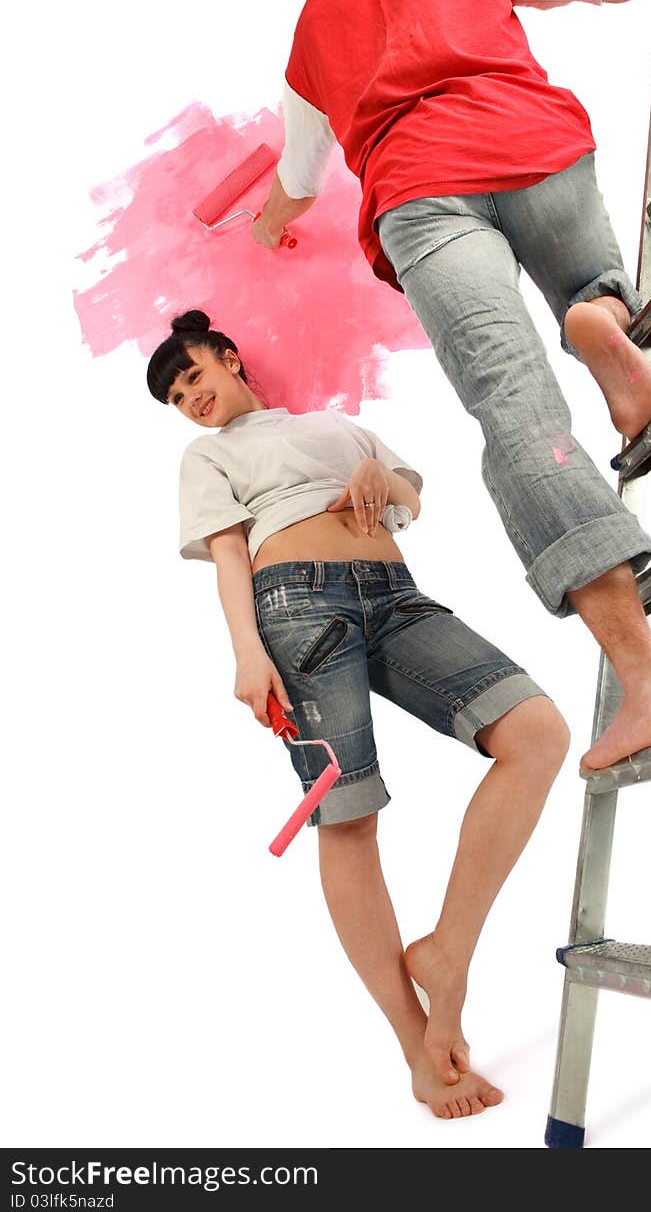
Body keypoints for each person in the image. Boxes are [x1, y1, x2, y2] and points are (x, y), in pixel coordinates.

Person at [251, 0, 651, 773]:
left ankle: (648, 682)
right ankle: (595, 316)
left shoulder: (312, 31)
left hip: (423, 191)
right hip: (528, 141)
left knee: (515, 413)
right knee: (589, 281)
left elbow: (298, 177)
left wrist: (271, 226)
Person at [147, 308, 570, 1121]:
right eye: (175, 395)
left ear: (230, 359)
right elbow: (230, 554)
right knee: (349, 816)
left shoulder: (334, 424)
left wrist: (388, 482)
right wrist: (246, 652)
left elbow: (410, 495)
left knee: (536, 732)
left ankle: (448, 950)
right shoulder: (207, 455)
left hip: (398, 599)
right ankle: (417, 1045)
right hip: (296, 611)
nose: (189, 398)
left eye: (193, 375)